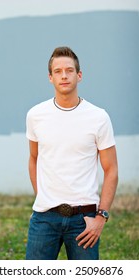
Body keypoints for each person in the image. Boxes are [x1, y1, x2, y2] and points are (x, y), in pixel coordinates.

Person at [25, 46, 118, 260]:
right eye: (58, 71)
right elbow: (34, 158)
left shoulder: (98, 117)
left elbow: (111, 169)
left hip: (84, 220)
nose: (64, 76)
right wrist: (42, 198)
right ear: (50, 77)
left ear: (79, 75)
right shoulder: (35, 115)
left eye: (69, 70)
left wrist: (101, 217)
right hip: (44, 218)